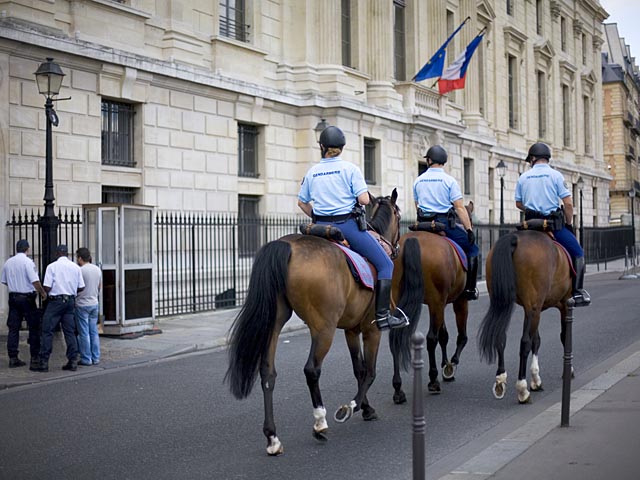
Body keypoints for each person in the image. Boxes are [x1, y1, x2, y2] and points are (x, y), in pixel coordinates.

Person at [297, 125, 408, 330]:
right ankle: (383, 317)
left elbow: (302, 203)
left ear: (322, 146)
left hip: (319, 227)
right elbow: (364, 199)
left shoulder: (312, 172)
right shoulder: (350, 169)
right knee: (386, 265)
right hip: (346, 226)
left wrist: (317, 216)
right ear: (342, 147)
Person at [515, 142, 591, 307]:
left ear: (533, 159)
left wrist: (531, 205)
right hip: (551, 225)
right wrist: (569, 223)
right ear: (547, 158)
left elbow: (518, 203)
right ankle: (578, 292)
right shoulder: (556, 175)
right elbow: (568, 204)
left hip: (529, 225)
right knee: (578, 252)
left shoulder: (523, 177)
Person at [413, 145, 480, 300]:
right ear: (443, 161)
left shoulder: (418, 180)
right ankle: (470, 289)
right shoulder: (449, 181)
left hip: (422, 224)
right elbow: (459, 208)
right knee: (473, 250)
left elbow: (417, 206)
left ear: (429, 160)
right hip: (444, 223)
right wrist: (469, 230)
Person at [32, 244, 85, 372]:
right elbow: (82, 287)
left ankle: (43, 362)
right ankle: (72, 361)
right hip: (70, 301)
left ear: (57, 253)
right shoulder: (75, 267)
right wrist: (71, 290)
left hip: (56, 302)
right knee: (69, 332)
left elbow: (47, 287)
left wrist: (45, 293)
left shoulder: (52, 267)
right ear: (67, 253)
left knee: (47, 330)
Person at [1, 240, 47, 369]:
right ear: (27, 248)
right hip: (27, 298)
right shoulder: (28, 262)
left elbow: (4, 281)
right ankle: (34, 357)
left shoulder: (8, 262)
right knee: (33, 327)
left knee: (13, 328)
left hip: (13, 297)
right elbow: (35, 281)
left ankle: (13, 357)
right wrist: (42, 293)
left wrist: (15, 286)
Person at [75, 248, 102, 366]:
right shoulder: (97, 269)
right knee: (94, 331)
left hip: (82, 303)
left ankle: (86, 358)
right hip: (94, 303)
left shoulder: (80, 270)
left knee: (83, 333)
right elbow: (99, 286)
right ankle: (96, 357)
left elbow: (77, 287)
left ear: (80, 258)